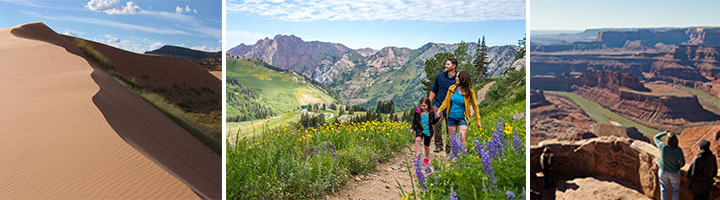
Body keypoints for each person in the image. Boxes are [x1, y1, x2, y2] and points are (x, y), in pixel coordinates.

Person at [436, 70, 481, 151]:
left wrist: (478, 121)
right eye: (456, 76)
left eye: (458, 77)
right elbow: (446, 101)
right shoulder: (452, 88)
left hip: (463, 118)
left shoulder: (470, 92)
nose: (455, 78)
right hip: (451, 117)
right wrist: (439, 110)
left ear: (463, 79)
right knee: (452, 140)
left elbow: (475, 106)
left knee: (462, 138)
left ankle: (464, 159)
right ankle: (454, 158)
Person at [429, 58, 458, 153]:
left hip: (452, 106)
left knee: (451, 127)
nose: (445, 66)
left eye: (448, 64)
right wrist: (429, 101)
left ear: (454, 66)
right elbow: (434, 89)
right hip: (439, 104)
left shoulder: (458, 78)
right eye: (446, 64)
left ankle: (449, 148)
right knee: (437, 124)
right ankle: (438, 145)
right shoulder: (440, 76)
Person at [655, 131, 685, 200]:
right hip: (674, 172)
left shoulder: (663, 147)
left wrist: (665, 132)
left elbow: (656, 137)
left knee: (663, 189)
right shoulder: (678, 150)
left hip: (662, 171)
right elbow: (683, 163)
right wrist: (676, 167)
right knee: (675, 190)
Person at [411, 97, 440, 165]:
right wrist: (413, 128)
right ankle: (417, 157)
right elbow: (414, 121)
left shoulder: (431, 112)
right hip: (420, 129)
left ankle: (426, 158)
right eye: (421, 105)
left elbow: (433, 122)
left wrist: (437, 118)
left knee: (426, 146)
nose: (422, 107)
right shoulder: (417, 112)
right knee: (418, 140)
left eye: (424, 106)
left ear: (428, 105)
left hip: (428, 131)